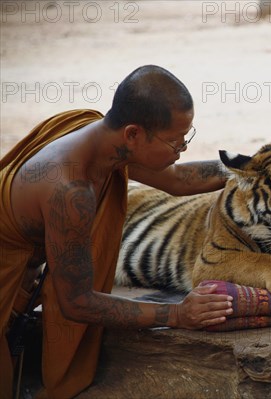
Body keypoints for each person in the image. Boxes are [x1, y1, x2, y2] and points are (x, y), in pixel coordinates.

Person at [0, 65, 234, 398]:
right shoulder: (69, 190)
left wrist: (253, 166)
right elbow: (77, 303)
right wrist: (178, 314)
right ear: (134, 134)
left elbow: (176, 180)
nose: (181, 149)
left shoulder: (103, 140)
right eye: (175, 142)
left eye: (186, 138)